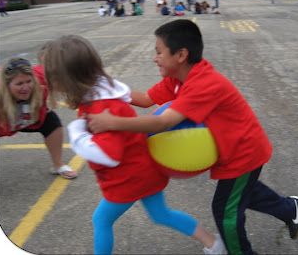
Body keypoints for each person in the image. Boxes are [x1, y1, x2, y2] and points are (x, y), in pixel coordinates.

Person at [87, 19, 298, 255]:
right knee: (243, 194)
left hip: (243, 154)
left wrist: (113, 122)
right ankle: (288, 208)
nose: (154, 57)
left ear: (180, 55)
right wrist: (106, 88)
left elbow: (163, 122)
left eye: (159, 52)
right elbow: (147, 99)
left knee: (225, 211)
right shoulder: (178, 78)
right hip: (234, 150)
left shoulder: (203, 83)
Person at [42, 35, 225, 255]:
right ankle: (212, 243)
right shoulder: (100, 95)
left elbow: (109, 154)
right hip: (143, 171)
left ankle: (212, 243)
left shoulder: (102, 106)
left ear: (68, 78)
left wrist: (78, 135)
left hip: (129, 179)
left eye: (52, 77)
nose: (49, 82)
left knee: (101, 220)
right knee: (161, 214)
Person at [0, 57, 77, 179]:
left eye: (28, 81)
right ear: (6, 85)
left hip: (29, 118)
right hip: (2, 124)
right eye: (19, 84)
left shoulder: (41, 78)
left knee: (52, 122)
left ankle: (58, 165)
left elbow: (59, 67)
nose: (26, 87)